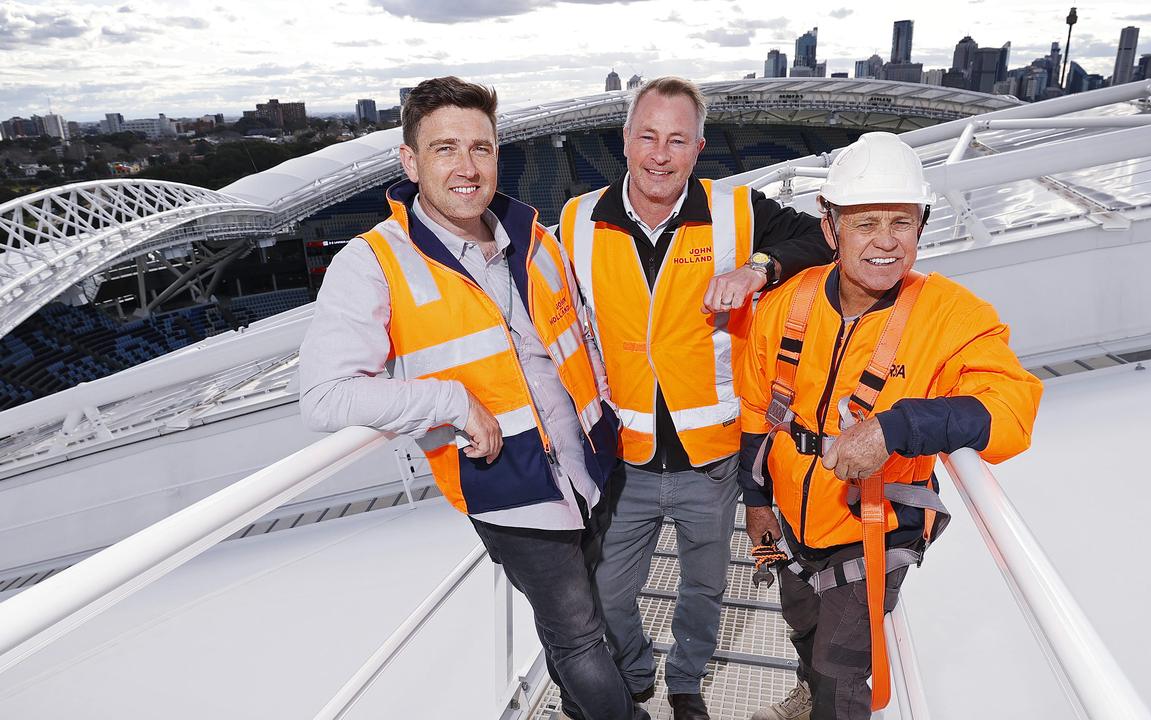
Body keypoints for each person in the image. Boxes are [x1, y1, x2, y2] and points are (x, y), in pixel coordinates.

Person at [299, 76, 647, 720]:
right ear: (410, 161)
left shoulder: (534, 237)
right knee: (578, 632)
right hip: (510, 485)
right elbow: (324, 397)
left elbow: (578, 341)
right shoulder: (373, 261)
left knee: (582, 614)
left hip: (588, 465)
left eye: (481, 149)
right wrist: (449, 403)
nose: (467, 167)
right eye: (445, 149)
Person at [738, 132, 1043, 720]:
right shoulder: (788, 303)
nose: (885, 242)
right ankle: (809, 691)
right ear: (830, 229)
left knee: (841, 673)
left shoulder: (952, 316)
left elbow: (1011, 410)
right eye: (865, 223)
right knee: (801, 620)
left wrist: (897, 426)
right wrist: (756, 503)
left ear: (922, 227)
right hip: (793, 522)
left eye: (901, 223)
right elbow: (758, 406)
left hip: (873, 528)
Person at [557, 77, 832, 720]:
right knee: (608, 592)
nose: (660, 154)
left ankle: (686, 684)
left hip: (710, 458)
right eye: (647, 136)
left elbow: (822, 238)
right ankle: (634, 674)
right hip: (622, 459)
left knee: (704, 590)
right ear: (624, 141)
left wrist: (758, 266)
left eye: (676, 140)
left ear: (698, 148)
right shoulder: (576, 221)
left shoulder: (736, 211)